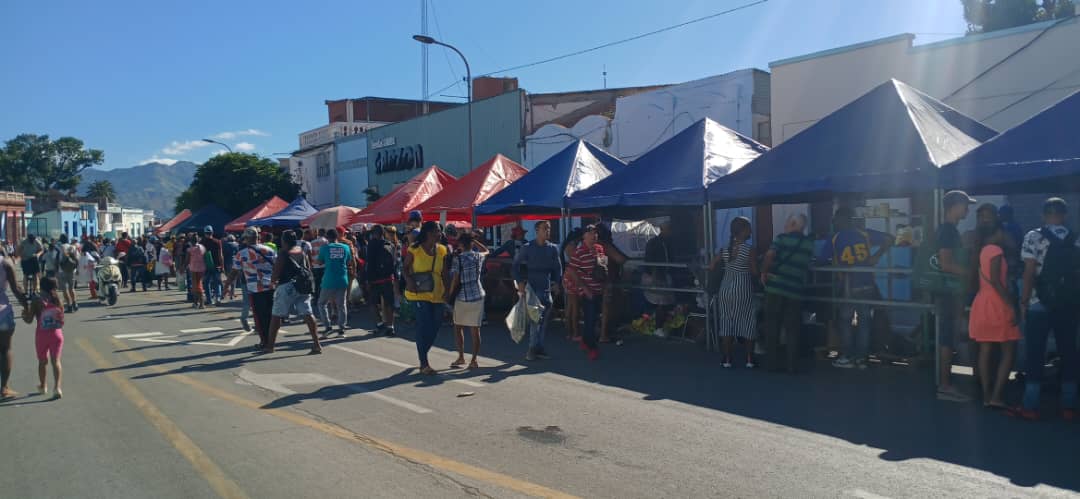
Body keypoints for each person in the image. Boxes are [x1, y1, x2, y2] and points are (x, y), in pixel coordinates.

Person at [1010, 197, 1080, 421]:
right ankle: (1068, 406)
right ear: (1064, 215)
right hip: (1068, 303)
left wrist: (1023, 301)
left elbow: (1029, 271)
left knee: (1035, 353)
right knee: (1069, 352)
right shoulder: (1076, 238)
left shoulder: (1034, 236)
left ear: (1043, 214)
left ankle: (1030, 405)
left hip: (1038, 302)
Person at [820, 207, 893, 369]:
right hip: (867, 283)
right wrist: (876, 256)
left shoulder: (835, 238)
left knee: (845, 320)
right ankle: (861, 358)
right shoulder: (864, 233)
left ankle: (847, 356)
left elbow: (821, 259)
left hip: (848, 286)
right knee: (865, 321)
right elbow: (889, 238)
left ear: (840, 220)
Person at [968, 219, 1020, 409]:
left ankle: (986, 395)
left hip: (982, 302)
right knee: (1008, 351)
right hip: (997, 304)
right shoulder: (996, 251)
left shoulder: (982, 250)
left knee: (985, 350)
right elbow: (997, 281)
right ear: (998, 231)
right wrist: (1011, 306)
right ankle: (997, 395)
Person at [934, 190, 977, 402]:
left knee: (949, 337)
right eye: (965, 204)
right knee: (947, 339)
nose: (968, 209)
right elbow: (946, 264)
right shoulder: (948, 231)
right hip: (949, 292)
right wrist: (970, 272)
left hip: (949, 292)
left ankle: (945, 383)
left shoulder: (949, 230)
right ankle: (945, 385)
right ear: (955, 206)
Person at [761, 214, 814, 373]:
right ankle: (791, 364)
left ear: (792, 223)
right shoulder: (809, 244)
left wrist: (764, 272)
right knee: (792, 329)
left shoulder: (781, 238)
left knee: (772, 326)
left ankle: (772, 363)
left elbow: (770, 255)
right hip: (795, 291)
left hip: (776, 288)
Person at [712, 217, 759, 368]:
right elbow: (754, 271)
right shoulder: (749, 249)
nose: (751, 231)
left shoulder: (725, 248)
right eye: (749, 228)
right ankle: (749, 359)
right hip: (742, 287)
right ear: (743, 231)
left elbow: (712, 265)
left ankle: (726, 358)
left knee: (726, 320)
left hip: (725, 287)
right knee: (748, 320)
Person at [404, 221, 450, 374]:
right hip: (419, 293)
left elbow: (444, 272)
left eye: (440, 232)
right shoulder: (414, 249)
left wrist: (448, 291)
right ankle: (424, 363)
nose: (439, 234)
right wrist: (409, 280)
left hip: (437, 293)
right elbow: (404, 268)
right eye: (437, 231)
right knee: (424, 325)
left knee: (435, 327)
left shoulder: (442, 250)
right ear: (428, 233)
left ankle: (423, 352)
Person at [512, 220, 562, 361]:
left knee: (544, 321)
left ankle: (539, 347)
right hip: (532, 289)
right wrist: (520, 282)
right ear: (537, 230)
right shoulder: (527, 247)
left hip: (546, 288)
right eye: (544, 228)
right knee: (535, 320)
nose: (547, 231)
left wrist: (557, 282)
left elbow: (558, 268)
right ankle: (531, 349)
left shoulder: (552, 248)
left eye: (549, 228)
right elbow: (515, 266)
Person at [265, 231, 322, 355]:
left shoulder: (283, 253)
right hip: (303, 285)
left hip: (287, 286)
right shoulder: (301, 250)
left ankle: (270, 346)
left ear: (283, 240)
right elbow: (308, 267)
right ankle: (316, 344)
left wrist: (272, 282)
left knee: (276, 315)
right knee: (308, 313)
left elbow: (276, 271)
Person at [449, 232, 489, 369]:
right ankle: (474, 360)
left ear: (460, 244)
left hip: (462, 296)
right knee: (475, 330)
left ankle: (461, 357)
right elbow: (486, 251)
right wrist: (475, 241)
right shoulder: (478, 256)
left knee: (458, 327)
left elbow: (455, 279)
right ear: (471, 243)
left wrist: (449, 294)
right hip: (477, 295)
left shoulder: (458, 259)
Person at [567, 225, 606, 361]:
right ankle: (592, 347)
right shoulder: (579, 252)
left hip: (598, 288)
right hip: (587, 291)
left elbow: (602, 267)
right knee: (589, 320)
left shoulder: (599, 249)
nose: (593, 236)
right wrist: (584, 288)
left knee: (595, 318)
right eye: (590, 233)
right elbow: (572, 271)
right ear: (584, 236)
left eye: (595, 233)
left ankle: (585, 340)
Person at [21, 277, 64, 399]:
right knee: (56, 361)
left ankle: (43, 386)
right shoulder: (57, 299)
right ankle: (57, 388)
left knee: (42, 361)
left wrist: (24, 314)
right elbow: (61, 314)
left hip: (42, 334)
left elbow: (29, 320)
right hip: (57, 334)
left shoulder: (37, 300)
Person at [0, 251, 29, 399]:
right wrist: (27, 307)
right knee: (5, 349)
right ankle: (4, 388)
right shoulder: (5, 263)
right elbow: (16, 289)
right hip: (2, 313)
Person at [316, 229, 352, 338]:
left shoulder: (324, 248)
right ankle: (341, 329)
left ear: (327, 238)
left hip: (329, 280)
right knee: (342, 305)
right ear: (337, 237)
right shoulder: (346, 247)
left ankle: (327, 326)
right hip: (342, 279)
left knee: (322, 304)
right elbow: (348, 261)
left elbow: (319, 262)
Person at [597, 223, 628, 344]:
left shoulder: (592, 245)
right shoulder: (604, 245)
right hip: (606, 281)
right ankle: (604, 334)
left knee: (597, 308)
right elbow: (621, 259)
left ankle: (600, 332)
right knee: (606, 308)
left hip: (594, 281)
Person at [365, 225, 399, 336]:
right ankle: (391, 327)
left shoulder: (371, 245)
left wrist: (368, 280)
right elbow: (394, 263)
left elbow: (369, 263)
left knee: (372, 303)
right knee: (389, 303)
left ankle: (380, 324)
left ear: (374, 233)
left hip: (375, 279)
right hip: (388, 278)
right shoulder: (389, 245)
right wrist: (395, 277)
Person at [643, 221, 676, 326]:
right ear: (663, 229)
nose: (670, 231)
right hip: (655, 276)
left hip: (664, 275)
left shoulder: (669, 243)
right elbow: (650, 261)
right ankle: (658, 326)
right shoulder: (653, 243)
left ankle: (662, 325)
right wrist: (655, 276)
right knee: (660, 303)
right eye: (669, 228)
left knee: (665, 302)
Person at [560, 228, 584, 342]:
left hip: (567, 274)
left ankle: (569, 332)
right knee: (575, 307)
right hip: (572, 275)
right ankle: (575, 332)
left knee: (570, 306)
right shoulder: (572, 247)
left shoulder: (566, 245)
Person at [56, 234, 80, 313]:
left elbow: (57, 259)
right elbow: (77, 259)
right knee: (71, 288)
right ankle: (75, 303)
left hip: (62, 270)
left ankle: (69, 305)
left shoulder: (60, 247)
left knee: (64, 289)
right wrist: (77, 268)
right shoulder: (72, 247)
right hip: (72, 269)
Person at [201, 227, 224, 306]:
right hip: (216, 265)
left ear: (204, 233)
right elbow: (220, 255)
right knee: (217, 282)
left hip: (206, 265)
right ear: (212, 232)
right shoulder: (217, 242)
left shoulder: (202, 242)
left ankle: (209, 299)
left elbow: (201, 255)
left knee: (206, 283)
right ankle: (218, 298)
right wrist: (222, 265)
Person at [309, 229, 329, 305]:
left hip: (315, 265)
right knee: (324, 283)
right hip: (324, 265)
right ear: (324, 233)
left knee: (316, 283)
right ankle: (323, 299)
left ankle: (316, 299)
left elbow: (311, 254)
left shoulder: (312, 242)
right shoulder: (326, 242)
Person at [187, 237, 207, 308]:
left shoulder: (190, 249)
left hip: (193, 269)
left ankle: (199, 303)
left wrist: (183, 266)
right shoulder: (202, 247)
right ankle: (199, 302)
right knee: (199, 285)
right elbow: (205, 256)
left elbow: (187, 259)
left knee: (196, 286)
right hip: (202, 268)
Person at [222, 235, 240, 300]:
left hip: (227, 262)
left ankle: (225, 293)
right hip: (235, 263)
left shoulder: (225, 245)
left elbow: (223, 254)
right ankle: (232, 293)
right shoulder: (237, 245)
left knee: (228, 278)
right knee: (234, 279)